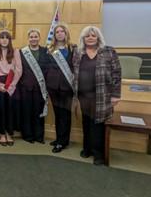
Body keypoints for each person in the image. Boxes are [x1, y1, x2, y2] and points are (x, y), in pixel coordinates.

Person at [73, 26, 121, 165]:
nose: (90, 38)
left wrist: (116, 95)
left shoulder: (109, 52)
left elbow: (117, 74)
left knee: (98, 123)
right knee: (86, 122)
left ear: (98, 37)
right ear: (83, 38)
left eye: (93, 35)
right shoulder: (78, 52)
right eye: (87, 36)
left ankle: (98, 154)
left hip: (102, 96)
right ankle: (87, 148)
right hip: (83, 95)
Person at [46, 24, 76, 153]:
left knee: (65, 114)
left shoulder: (72, 48)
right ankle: (59, 138)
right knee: (58, 114)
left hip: (66, 87)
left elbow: (75, 66)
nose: (59, 33)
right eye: (57, 32)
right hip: (53, 86)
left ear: (66, 33)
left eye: (61, 31)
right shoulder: (50, 49)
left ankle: (63, 142)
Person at [0, 30, 22, 146]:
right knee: (0, 108)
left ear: (9, 40)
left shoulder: (15, 52)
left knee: (11, 108)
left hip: (12, 83)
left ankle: (9, 133)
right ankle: (2, 133)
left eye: (6, 37)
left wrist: (12, 85)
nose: (4, 39)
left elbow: (18, 70)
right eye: (2, 37)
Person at [19, 29, 48, 144]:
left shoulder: (45, 51)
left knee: (39, 111)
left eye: (35, 36)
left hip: (40, 87)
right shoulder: (22, 52)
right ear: (28, 38)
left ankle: (39, 136)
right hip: (26, 87)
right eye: (31, 37)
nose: (33, 38)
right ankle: (28, 135)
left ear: (39, 38)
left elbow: (47, 69)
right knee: (26, 112)